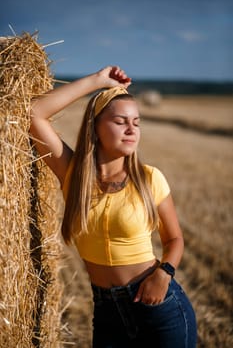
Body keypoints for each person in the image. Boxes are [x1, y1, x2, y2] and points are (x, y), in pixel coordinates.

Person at [30, 66, 197, 348]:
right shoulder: (73, 175)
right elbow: (34, 113)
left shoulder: (149, 178)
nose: (132, 129)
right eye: (121, 121)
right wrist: (97, 81)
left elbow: (174, 239)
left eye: (137, 122)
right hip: (107, 313)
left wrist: (163, 274)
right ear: (95, 126)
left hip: (159, 309)